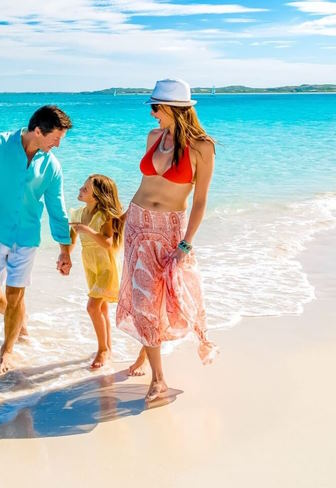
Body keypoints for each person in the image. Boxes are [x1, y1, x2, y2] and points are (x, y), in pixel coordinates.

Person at [116, 79, 218, 402]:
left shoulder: (202, 148)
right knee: (144, 302)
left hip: (169, 231)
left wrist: (186, 244)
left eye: (156, 108)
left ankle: (152, 365)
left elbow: (200, 201)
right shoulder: (153, 138)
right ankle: (158, 379)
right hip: (137, 224)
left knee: (168, 302)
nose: (152, 114)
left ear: (174, 109)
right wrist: (122, 219)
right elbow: (143, 184)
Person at [0, 105, 74, 373]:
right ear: (38, 131)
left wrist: (65, 250)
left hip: (26, 237)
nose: (58, 145)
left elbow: (57, 209)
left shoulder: (51, 166)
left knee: (15, 294)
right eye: (55, 139)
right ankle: (18, 319)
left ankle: (7, 350)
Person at [69, 174, 125, 370]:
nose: (80, 190)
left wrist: (89, 231)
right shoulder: (77, 214)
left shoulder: (104, 216)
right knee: (101, 309)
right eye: (82, 187)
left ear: (97, 196)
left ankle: (103, 349)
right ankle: (108, 347)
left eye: (85, 189)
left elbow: (108, 243)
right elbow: (71, 240)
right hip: (91, 267)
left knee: (92, 307)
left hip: (106, 268)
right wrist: (65, 257)